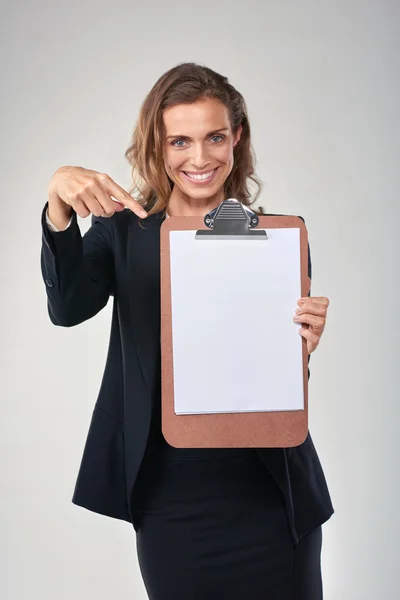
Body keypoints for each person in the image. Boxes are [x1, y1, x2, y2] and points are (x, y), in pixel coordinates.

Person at [40, 62, 334, 599]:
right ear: (158, 143)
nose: (200, 159)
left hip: (268, 490)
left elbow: (280, 379)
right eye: (180, 140)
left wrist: (303, 349)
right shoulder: (121, 234)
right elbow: (68, 307)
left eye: (214, 137)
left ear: (236, 138)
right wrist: (59, 206)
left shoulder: (278, 239)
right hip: (169, 494)